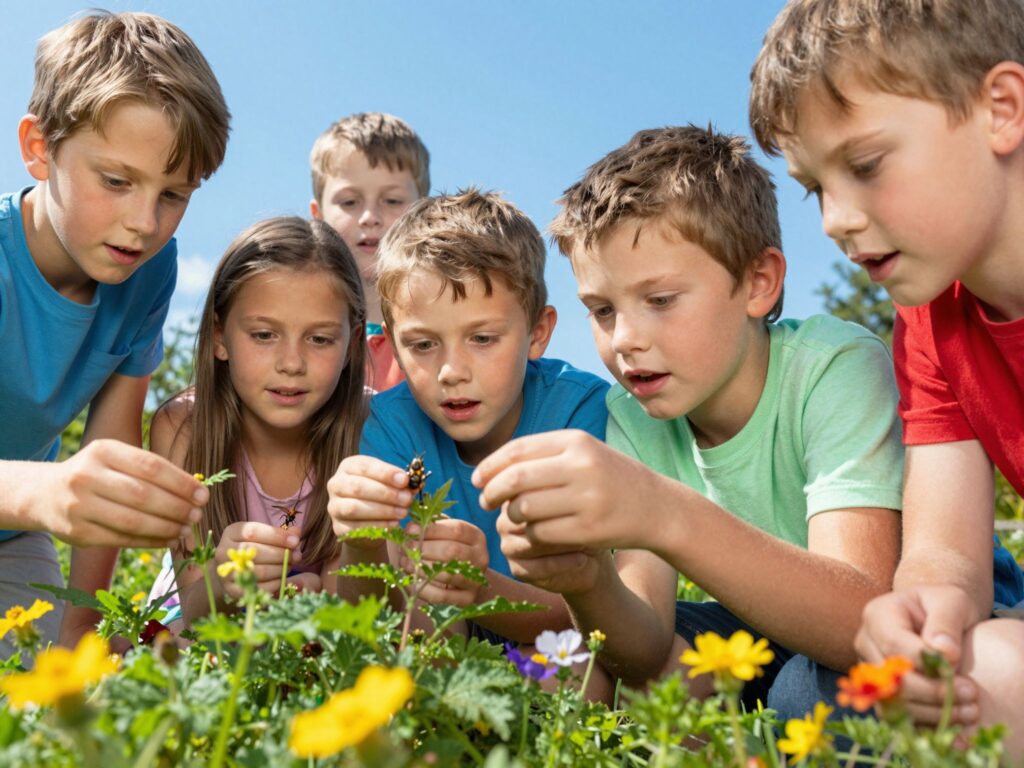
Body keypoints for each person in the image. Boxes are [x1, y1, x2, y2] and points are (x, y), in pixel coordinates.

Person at [472, 126, 904, 715]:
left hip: (911, 617)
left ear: (758, 283)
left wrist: (664, 512)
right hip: (755, 627)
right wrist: (587, 580)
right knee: (626, 684)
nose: (624, 339)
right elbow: (640, 654)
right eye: (601, 310)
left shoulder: (833, 366)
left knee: (812, 695)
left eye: (661, 300)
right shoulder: (633, 416)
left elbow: (865, 623)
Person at [749, 0, 1024, 750]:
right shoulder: (931, 321)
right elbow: (948, 549)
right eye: (816, 188)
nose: (834, 220)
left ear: (1001, 109)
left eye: (865, 165)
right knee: (973, 681)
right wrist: (918, 613)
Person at [0, 11, 230, 653]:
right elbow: (60, 486)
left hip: (12, 535)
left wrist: (85, 622)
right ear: (39, 147)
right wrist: (45, 488)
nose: (144, 224)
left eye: (174, 194)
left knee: (47, 699)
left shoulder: (148, 272)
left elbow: (112, 439)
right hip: (24, 503)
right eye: (117, 182)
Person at [327, 188, 609, 645]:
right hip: (437, 646)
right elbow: (372, 626)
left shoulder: (577, 415)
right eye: (422, 345)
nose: (451, 372)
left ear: (538, 333)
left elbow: (586, 621)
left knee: (577, 673)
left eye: (482, 338)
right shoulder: (387, 427)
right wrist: (360, 541)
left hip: (550, 643)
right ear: (393, 343)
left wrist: (478, 589)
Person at [146, 217, 367, 625]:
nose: (291, 364)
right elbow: (195, 609)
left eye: (319, 339)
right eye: (264, 335)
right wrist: (221, 582)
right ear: (218, 336)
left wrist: (314, 604)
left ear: (352, 346)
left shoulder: (370, 430)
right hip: (196, 613)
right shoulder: (183, 429)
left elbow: (350, 611)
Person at [309, 112, 430, 391]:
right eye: (350, 202)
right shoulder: (295, 333)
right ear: (318, 216)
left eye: (391, 200)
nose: (370, 216)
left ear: (423, 211)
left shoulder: (448, 335)